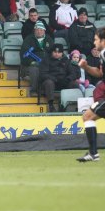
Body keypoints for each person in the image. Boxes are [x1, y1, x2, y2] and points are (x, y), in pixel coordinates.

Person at [76, 28, 105, 162]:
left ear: (103, 40)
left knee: (87, 116)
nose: (94, 43)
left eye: (96, 40)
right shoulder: (102, 54)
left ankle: (93, 153)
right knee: (88, 116)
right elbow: (100, 73)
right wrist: (86, 67)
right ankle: (93, 153)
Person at [39, 43, 79, 112]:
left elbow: (73, 73)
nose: (57, 54)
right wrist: (54, 79)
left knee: (74, 84)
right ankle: (51, 105)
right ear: (52, 52)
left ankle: (66, 105)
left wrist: (67, 79)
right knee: (49, 82)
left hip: (63, 82)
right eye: (55, 52)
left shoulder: (66, 60)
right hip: (51, 82)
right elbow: (43, 74)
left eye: (59, 52)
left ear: (62, 53)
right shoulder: (46, 59)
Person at [20, 20, 54, 95]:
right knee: (34, 69)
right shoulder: (28, 39)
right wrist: (31, 62)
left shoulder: (49, 39)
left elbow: (53, 53)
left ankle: (46, 90)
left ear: (44, 31)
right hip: (30, 65)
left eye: (41, 30)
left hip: (45, 64)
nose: (39, 31)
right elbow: (24, 54)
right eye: (37, 30)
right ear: (34, 30)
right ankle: (33, 90)